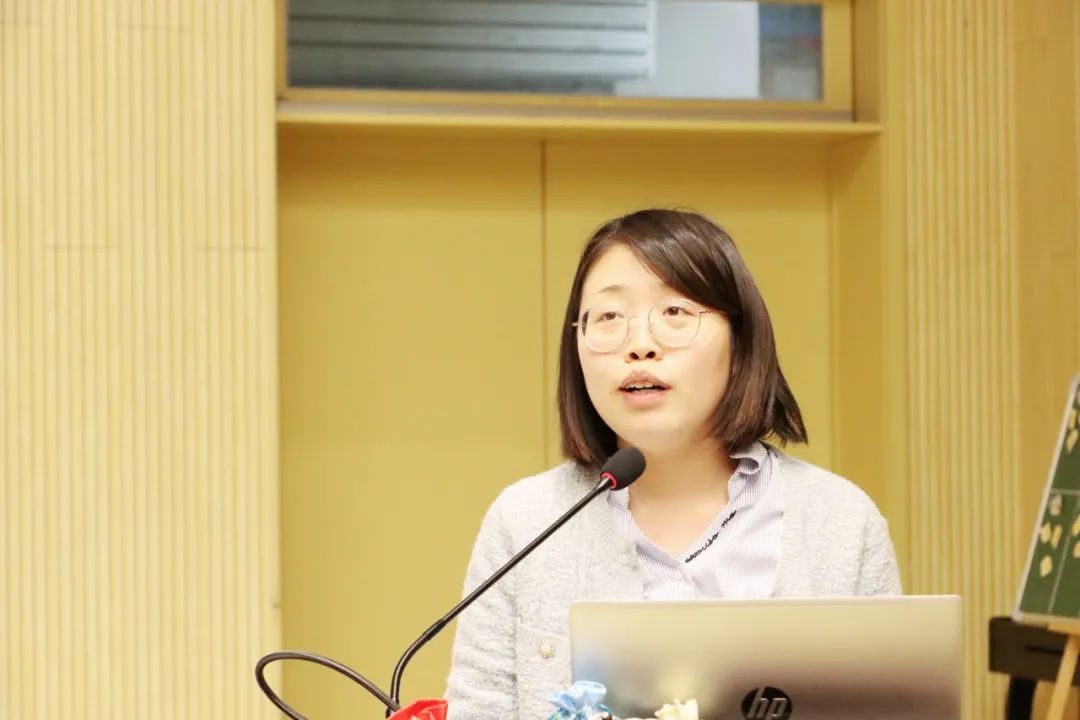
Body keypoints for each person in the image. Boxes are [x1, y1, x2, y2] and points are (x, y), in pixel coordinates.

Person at [444, 209, 901, 720]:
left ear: (740, 338)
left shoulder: (841, 521)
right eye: (609, 317)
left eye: (675, 312)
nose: (640, 346)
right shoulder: (526, 521)